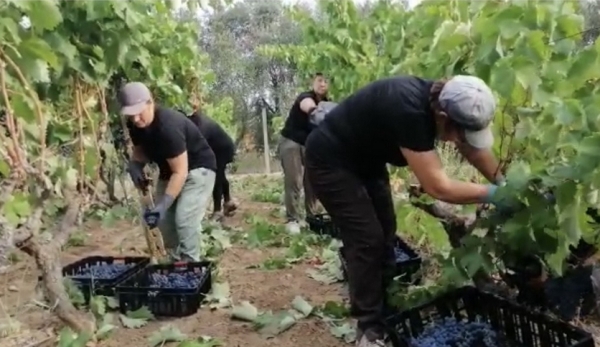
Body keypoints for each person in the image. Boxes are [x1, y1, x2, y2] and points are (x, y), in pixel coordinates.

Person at [304, 75, 506, 347]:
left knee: (386, 231)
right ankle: (369, 327)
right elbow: (438, 186)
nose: (460, 141)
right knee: (367, 239)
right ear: (443, 116)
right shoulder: (410, 110)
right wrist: (493, 194)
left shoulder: (446, 103)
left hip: (366, 160)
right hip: (330, 161)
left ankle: (386, 303)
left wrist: (504, 182)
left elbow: (472, 148)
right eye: (459, 132)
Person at [119, 82, 217, 262]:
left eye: (139, 112)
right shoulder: (135, 125)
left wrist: (164, 204)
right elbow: (140, 151)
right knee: (164, 223)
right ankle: (176, 261)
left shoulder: (167, 126)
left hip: (198, 169)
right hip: (169, 172)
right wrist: (135, 165)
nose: (136, 119)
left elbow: (180, 171)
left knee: (184, 218)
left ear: (151, 103)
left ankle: (190, 263)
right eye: (131, 115)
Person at [279, 72, 329, 234]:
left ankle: (312, 217)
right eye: (320, 81)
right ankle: (292, 218)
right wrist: (316, 111)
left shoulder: (328, 103)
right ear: (313, 82)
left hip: (310, 145)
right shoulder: (306, 97)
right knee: (294, 180)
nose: (323, 84)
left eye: (326, 81)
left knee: (313, 180)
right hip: (291, 141)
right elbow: (308, 106)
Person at [187, 108, 237, 222]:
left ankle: (217, 211)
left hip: (222, 149)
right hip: (220, 147)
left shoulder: (201, 126)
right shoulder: (197, 122)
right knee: (220, 174)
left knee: (217, 177)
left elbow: (195, 149)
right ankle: (228, 201)